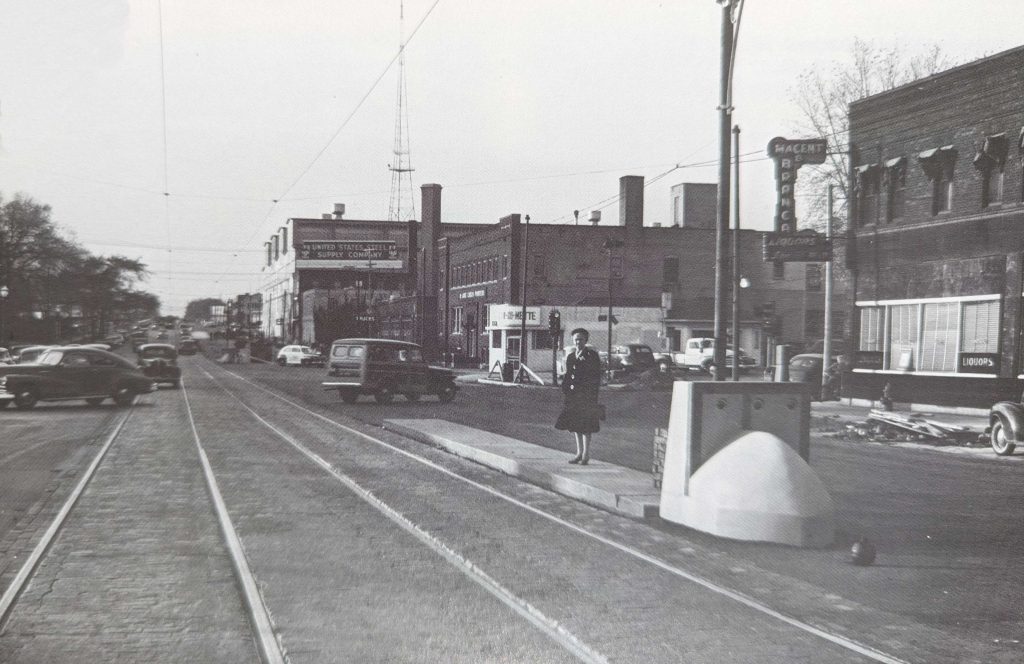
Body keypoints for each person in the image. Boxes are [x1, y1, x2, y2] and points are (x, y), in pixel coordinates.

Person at [555, 328, 602, 465]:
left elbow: (595, 377)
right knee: (575, 425)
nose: (578, 342)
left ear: (586, 340)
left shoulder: (591, 355)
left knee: (586, 425)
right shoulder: (570, 356)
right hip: (573, 396)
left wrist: (592, 395)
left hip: (587, 396)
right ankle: (578, 453)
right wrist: (565, 389)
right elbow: (568, 375)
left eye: (580, 339)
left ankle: (586, 454)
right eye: (575, 339)